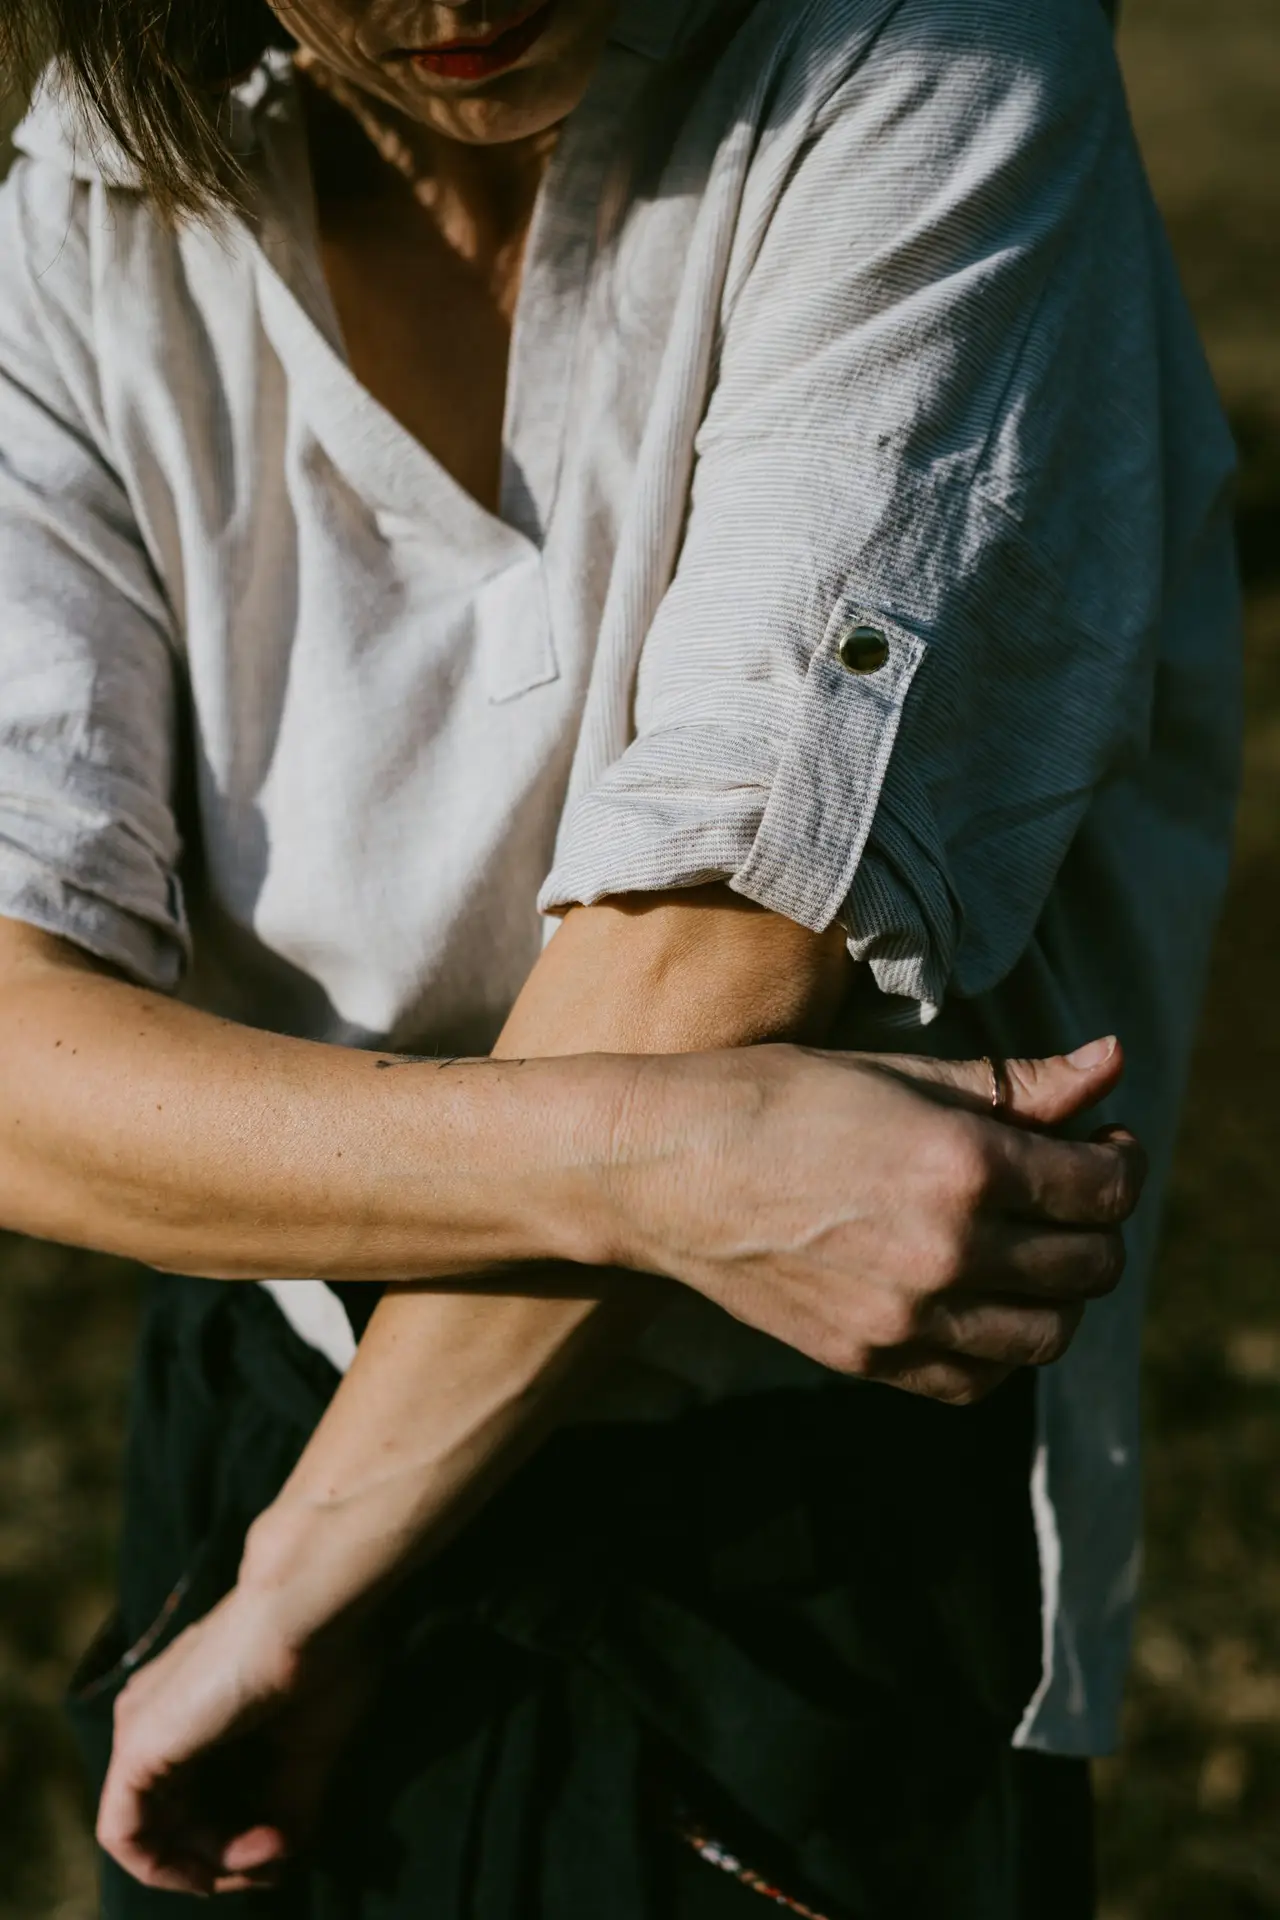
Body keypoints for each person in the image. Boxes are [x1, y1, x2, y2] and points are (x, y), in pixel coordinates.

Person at [0, 0, 1238, 1912]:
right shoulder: (95, 204)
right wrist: (667, 1164)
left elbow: (725, 947)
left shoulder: (931, 61)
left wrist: (310, 1577)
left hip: (790, 1507)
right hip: (264, 1409)